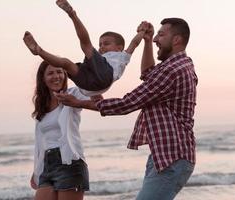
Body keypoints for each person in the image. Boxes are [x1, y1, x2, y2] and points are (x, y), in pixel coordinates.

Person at [55, 18, 198, 200]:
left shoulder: (172, 70)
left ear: (177, 40)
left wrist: (78, 102)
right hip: (165, 155)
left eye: (161, 35)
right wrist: (146, 41)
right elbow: (147, 74)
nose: (155, 39)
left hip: (172, 157)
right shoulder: (179, 65)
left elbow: (127, 103)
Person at [23, 0, 146, 97]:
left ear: (119, 48)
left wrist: (142, 31)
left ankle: (73, 15)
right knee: (66, 63)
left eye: (106, 43)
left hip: (105, 76)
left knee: (86, 45)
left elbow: (134, 43)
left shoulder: (123, 56)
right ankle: (38, 51)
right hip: (88, 86)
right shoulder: (99, 60)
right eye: (100, 44)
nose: (102, 47)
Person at [30, 61, 90, 200]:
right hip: (47, 165)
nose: (56, 76)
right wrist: (37, 170)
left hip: (69, 162)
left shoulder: (73, 94)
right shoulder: (41, 106)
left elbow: (97, 101)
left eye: (59, 72)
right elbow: (40, 142)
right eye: (50, 73)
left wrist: (77, 102)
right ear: (43, 79)